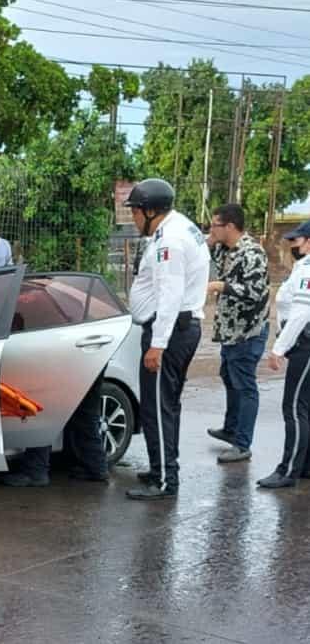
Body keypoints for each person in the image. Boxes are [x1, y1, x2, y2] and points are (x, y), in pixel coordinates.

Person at [123, 179, 210, 501]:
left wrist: (157, 344)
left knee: (157, 408)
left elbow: (170, 294)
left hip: (170, 333)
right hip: (180, 329)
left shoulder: (168, 241)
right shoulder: (181, 227)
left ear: (150, 210)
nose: (132, 218)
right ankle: (161, 467)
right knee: (165, 406)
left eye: (134, 212)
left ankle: (163, 479)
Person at [205, 203, 270, 463]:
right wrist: (210, 240)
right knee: (229, 376)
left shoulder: (252, 253)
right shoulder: (226, 249)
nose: (211, 230)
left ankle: (242, 444)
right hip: (231, 331)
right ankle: (231, 429)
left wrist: (222, 286)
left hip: (248, 332)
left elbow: (255, 294)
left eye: (215, 225)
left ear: (230, 226)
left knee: (245, 386)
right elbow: (209, 252)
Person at [258, 219, 310, 488]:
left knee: (294, 407)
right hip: (301, 343)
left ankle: (288, 470)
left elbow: (302, 314)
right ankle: (303, 466)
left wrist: (278, 349)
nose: (292, 244)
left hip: (305, 345)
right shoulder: (302, 267)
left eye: (297, 240)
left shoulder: (307, 269)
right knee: (305, 408)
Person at [0, 373, 110, 487]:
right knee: (85, 411)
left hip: (65, 362)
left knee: (45, 407)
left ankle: (35, 470)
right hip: (91, 359)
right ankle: (95, 467)